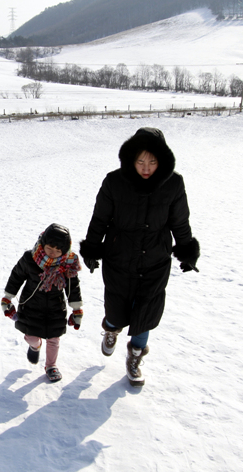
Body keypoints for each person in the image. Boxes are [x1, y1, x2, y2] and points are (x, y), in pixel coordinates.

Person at [79, 127, 200, 387]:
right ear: (131, 159)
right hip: (119, 255)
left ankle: (134, 357)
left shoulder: (174, 184)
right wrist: (91, 248)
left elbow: (180, 221)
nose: (146, 168)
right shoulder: (114, 181)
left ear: (162, 161)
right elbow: (100, 218)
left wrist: (187, 250)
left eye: (153, 162)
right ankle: (111, 329)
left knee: (146, 311)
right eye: (140, 161)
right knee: (116, 307)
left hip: (155, 258)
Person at [1, 223, 84, 383]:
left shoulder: (67, 264)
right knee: (31, 336)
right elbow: (16, 276)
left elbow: (73, 287)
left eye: (58, 251)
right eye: (49, 248)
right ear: (42, 244)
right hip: (31, 307)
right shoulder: (30, 259)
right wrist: (8, 298)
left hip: (55, 308)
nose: (53, 254)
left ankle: (51, 366)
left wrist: (76, 309)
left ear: (64, 251)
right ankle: (35, 346)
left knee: (54, 339)